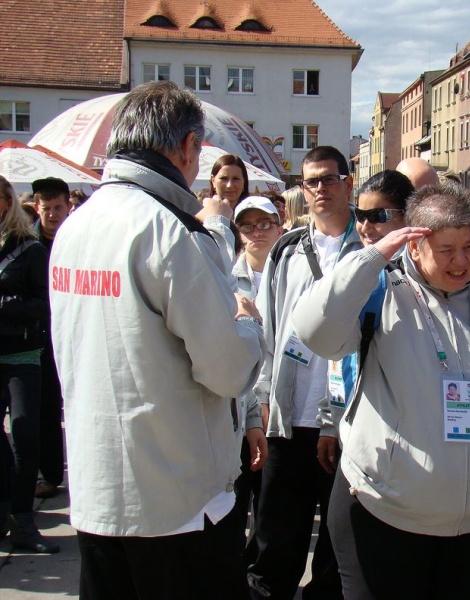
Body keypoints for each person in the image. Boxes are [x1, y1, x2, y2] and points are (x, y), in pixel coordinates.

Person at [49, 81, 266, 599]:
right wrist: (248, 322)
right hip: (179, 502)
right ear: (189, 146)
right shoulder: (170, 232)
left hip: (100, 488)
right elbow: (228, 368)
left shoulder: (75, 226)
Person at [292, 182, 470, 600]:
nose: (461, 261)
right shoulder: (380, 293)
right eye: (446, 249)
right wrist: (371, 257)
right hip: (385, 512)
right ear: (416, 245)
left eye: (469, 245)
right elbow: (313, 330)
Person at [248, 146, 361, 600]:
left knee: (337, 550)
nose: (319, 189)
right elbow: (267, 331)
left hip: (347, 420)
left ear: (348, 182)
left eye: (328, 179)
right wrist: (260, 398)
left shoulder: (368, 247)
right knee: (275, 539)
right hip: (287, 417)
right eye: (310, 181)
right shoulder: (287, 251)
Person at [316, 169, 414, 452]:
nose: (366, 225)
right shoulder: (352, 267)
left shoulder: (419, 279)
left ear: (407, 216)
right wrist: (329, 421)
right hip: (351, 424)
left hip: (398, 437)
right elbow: (337, 355)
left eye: (379, 216)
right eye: (360, 215)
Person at [0, 175, 58, 553]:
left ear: (7, 202)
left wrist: (6, 306)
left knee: (25, 436)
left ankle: (23, 521)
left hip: (23, 355)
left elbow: (45, 305)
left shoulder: (30, 250)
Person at [230, 196, 283, 564]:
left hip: (282, 404)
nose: (257, 233)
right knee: (237, 497)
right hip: (243, 402)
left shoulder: (294, 272)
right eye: (247, 226)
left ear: (280, 226)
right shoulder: (225, 278)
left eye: (265, 224)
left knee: (270, 507)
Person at [31, 177, 71, 500]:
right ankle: (49, 474)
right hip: (40, 336)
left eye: (59, 207)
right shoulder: (28, 244)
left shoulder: (77, 239)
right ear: (36, 207)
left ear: (68, 206)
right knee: (43, 409)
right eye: (47, 208)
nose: (53, 214)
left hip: (73, 332)